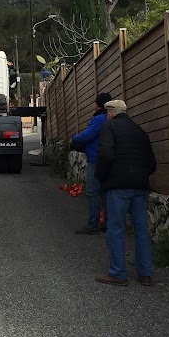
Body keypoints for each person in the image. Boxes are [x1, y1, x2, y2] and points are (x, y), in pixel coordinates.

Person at [95, 99, 157, 286]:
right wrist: (140, 176)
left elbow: (105, 155)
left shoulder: (109, 127)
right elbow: (152, 163)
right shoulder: (140, 131)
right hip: (140, 186)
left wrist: (102, 177)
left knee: (116, 228)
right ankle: (145, 274)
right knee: (141, 229)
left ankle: (118, 273)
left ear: (111, 113)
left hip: (117, 186)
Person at [70, 92, 112, 234]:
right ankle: (108, 222)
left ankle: (93, 224)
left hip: (96, 159)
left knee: (92, 192)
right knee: (104, 192)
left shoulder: (99, 119)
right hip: (108, 160)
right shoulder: (110, 118)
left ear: (98, 104)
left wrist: (74, 138)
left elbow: (88, 135)